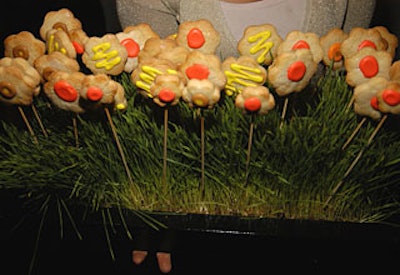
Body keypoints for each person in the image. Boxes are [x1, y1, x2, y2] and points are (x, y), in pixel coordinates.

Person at [114, 0, 377, 272]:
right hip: (199, 228)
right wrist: (159, 195)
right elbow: (158, 87)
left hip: (313, 225)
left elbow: (346, 89)